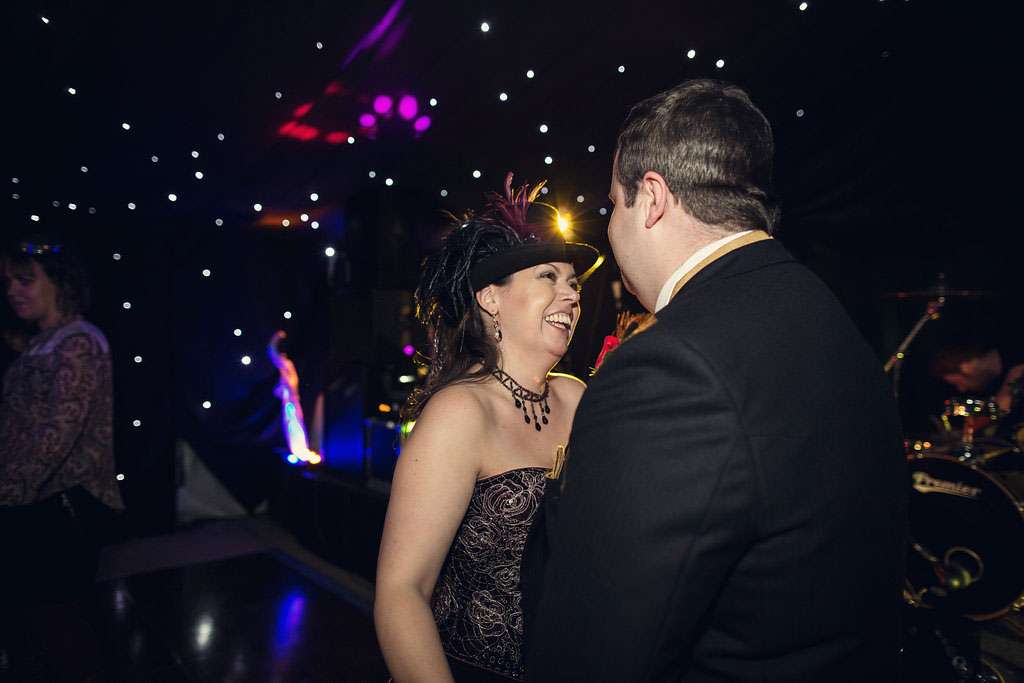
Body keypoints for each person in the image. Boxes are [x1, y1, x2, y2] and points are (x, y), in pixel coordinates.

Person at [524, 80, 907, 681]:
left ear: (651, 199)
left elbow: (592, 651)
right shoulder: (822, 312)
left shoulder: (670, 367)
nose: (613, 228)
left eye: (614, 205)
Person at [373, 174, 601, 683]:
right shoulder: (460, 413)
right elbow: (401, 593)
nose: (570, 295)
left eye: (574, 284)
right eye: (548, 277)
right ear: (491, 298)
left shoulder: (576, 396)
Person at [0, 235, 123, 679]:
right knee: (35, 629)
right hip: (33, 501)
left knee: (62, 632)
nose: (12, 291)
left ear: (60, 282)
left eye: (25, 280)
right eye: (8, 282)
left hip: (59, 504)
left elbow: (56, 435)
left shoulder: (77, 342)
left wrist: (7, 492)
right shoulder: (42, 341)